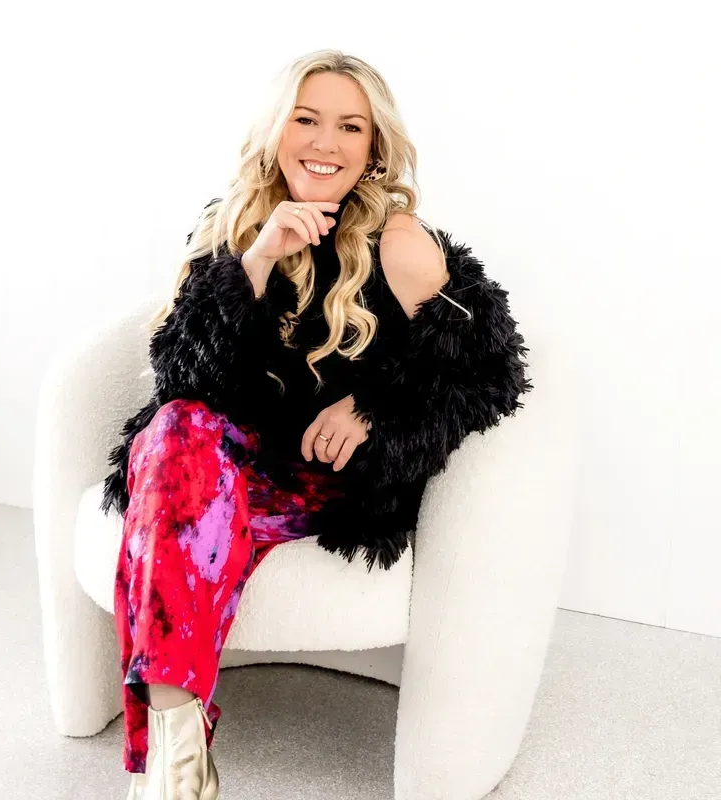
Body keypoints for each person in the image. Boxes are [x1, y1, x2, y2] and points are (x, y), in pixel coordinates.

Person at [101, 49, 533, 800]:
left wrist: (375, 411)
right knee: (172, 430)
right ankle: (177, 775)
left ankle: (166, 774)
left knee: (171, 487)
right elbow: (180, 375)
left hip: (324, 487)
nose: (325, 143)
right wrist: (260, 257)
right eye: (306, 119)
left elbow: (492, 372)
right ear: (276, 132)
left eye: (349, 126)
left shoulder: (398, 243)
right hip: (217, 471)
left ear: (373, 147)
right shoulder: (233, 226)